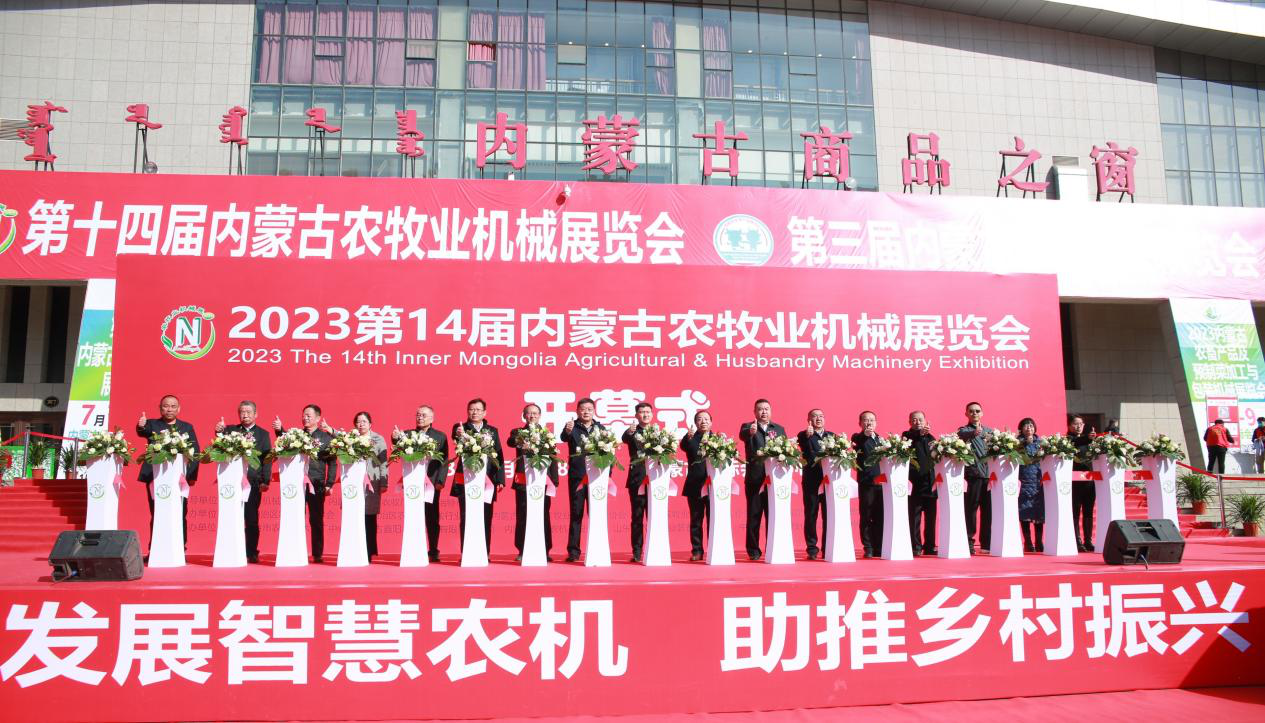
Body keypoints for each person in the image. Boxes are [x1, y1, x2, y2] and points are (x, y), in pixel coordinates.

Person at [136, 395, 200, 551]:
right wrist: (141, 426)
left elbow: (195, 452)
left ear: (178, 409)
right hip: (156, 478)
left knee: (180, 512)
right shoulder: (152, 424)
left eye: (173, 406)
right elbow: (143, 431)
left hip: (179, 479)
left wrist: (190, 476)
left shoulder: (186, 427)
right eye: (165, 406)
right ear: (160, 408)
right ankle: (155, 550)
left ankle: (180, 548)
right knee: (157, 512)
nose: (169, 409)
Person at [273, 404, 335, 563]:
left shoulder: (326, 438)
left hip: (316, 482)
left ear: (318, 418)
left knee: (316, 519)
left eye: (308, 415)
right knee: (296, 516)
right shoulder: (297, 435)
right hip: (297, 483)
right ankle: (295, 551)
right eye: (303, 415)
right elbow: (285, 442)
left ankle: (317, 553)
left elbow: (332, 462)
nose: (305, 418)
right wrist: (279, 430)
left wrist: (329, 483)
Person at [214, 401, 272, 563]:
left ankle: (251, 551)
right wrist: (219, 432)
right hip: (232, 482)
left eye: (248, 412)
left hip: (253, 482)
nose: (245, 415)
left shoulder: (263, 434)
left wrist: (265, 480)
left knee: (251, 518)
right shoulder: (231, 430)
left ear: (256, 414)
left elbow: (267, 459)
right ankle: (231, 549)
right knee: (232, 516)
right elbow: (220, 445)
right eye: (242, 412)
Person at [392, 405, 448, 563]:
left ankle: (433, 550)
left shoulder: (440, 436)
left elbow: (444, 461)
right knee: (413, 515)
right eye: (418, 415)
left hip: (431, 482)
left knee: (432, 517)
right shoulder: (408, 434)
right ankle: (413, 548)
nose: (420, 417)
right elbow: (398, 447)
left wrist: (440, 480)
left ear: (432, 418)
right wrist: (395, 438)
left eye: (423, 415)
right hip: (413, 483)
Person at [450, 398, 505, 553]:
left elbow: (499, 455)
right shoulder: (460, 427)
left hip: (487, 480)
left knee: (486, 517)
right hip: (466, 479)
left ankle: (484, 552)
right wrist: (459, 435)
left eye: (478, 409)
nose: (474, 412)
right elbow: (456, 436)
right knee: (466, 516)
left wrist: (500, 479)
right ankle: (466, 552)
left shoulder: (492, 431)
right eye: (471, 409)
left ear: (484, 412)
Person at [509, 403, 558, 562]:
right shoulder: (518, 432)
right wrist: (522, 439)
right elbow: (510, 441)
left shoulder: (547, 434)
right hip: (524, 482)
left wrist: (554, 480)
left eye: (535, 413)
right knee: (523, 514)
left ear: (540, 416)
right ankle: (522, 549)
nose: (532, 416)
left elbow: (553, 458)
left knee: (543, 514)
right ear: (524, 416)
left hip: (543, 481)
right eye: (529, 413)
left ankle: (545, 549)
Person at [739, 399, 787, 561]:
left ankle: (772, 548)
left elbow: (785, 450)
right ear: (755, 412)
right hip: (755, 479)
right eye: (760, 409)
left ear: (771, 411)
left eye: (766, 409)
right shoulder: (748, 427)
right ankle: (753, 550)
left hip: (775, 480)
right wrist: (751, 432)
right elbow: (743, 436)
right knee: (754, 515)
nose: (764, 412)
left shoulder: (779, 429)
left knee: (773, 515)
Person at [560, 398, 604, 563]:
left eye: (589, 409)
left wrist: (607, 476)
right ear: (577, 411)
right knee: (576, 514)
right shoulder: (572, 427)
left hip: (597, 478)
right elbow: (564, 437)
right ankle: (573, 552)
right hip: (577, 477)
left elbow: (608, 454)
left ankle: (597, 549)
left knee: (596, 514)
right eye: (583, 409)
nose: (586, 412)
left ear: (594, 411)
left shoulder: (600, 428)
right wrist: (568, 430)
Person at [957, 402, 993, 555]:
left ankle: (987, 543)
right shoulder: (963, 430)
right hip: (973, 476)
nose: (974, 413)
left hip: (989, 477)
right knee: (971, 510)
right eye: (971, 411)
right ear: (966, 414)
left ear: (982, 413)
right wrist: (974, 433)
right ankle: (969, 542)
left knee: (988, 511)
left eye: (977, 411)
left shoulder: (990, 431)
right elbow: (961, 436)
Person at [622, 402, 655, 563]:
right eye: (642, 412)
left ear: (652, 414)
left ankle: (654, 549)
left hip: (655, 480)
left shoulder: (659, 433)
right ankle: (637, 551)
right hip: (637, 478)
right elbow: (625, 438)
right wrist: (630, 431)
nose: (645, 414)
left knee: (654, 516)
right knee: (637, 516)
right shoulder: (632, 431)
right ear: (636, 415)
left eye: (648, 411)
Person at [354, 412, 389, 561]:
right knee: (355, 516)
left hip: (372, 482)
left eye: (364, 421)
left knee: (369, 516)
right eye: (358, 422)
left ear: (370, 424)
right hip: (354, 483)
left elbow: (383, 462)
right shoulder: (351, 439)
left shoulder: (378, 439)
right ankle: (355, 549)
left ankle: (369, 551)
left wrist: (384, 481)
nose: (361, 424)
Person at [797, 409, 832, 560]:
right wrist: (807, 435)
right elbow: (803, 446)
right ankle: (812, 548)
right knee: (811, 514)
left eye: (821, 416)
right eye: (815, 416)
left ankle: (827, 547)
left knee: (828, 515)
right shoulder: (803, 435)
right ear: (809, 420)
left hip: (829, 482)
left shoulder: (832, 436)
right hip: (811, 481)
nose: (818, 418)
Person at [679, 410, 713, 561]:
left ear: (711, 422)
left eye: (706, 419)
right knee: (696, 520)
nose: (703, 421)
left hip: (713, 486)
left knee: (713, 519)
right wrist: (688, 437)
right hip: (695, 485)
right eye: (700, 419)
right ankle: (697, 551)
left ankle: (713, 549)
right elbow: (684, 445)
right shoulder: (690, 438)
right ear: (695, 423)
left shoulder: (719, 439)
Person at [903, 411, 937, 556]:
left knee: (931, 519)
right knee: (915, 518)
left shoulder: (931, 438)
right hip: (915, 484)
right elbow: (908, 443)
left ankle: (930, 546)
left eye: (920, 419)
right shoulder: (907, 436)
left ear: (925, 421)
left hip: (930, 483)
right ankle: (915, 546)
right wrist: (920, 434)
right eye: (914, 420)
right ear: (910, 422)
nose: (918, 422)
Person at [851, 411, 883, 558]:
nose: (869, 422)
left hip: (881, 483)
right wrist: (865, 434)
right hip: (866, 482)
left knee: (880, 516)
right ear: (860, 423)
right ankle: (868, 547)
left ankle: (879, 546)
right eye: (865, 420)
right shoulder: (857, 438)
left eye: (872, 420)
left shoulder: (881, 440)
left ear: (876, 423)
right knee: (866, 515)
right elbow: (859, 442)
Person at [1067, 415, 1095, 552]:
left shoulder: (1090, 441)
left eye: (1081, 423)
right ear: (1069, 426)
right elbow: (1076, 442)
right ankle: (1077, 541)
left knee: (1088, 512)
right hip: (1075, 482)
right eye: (1075, 423)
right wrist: (1088, 438)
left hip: (1089, 481)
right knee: (1075, 512)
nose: (1078, 426)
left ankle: (1088, 541)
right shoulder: (1067, 440)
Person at [1017, 417, 1044, 553]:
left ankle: (1039, 542)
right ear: (1021, 429)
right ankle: (1028, 542)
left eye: (1031, 425)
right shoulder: (1016, 444)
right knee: (1025, 512)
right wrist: (1023, 444)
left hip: (1038, 482)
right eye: (1026, 425)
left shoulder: (1041, 443)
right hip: (1024, 481)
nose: (1029, 428)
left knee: (1039, 513)